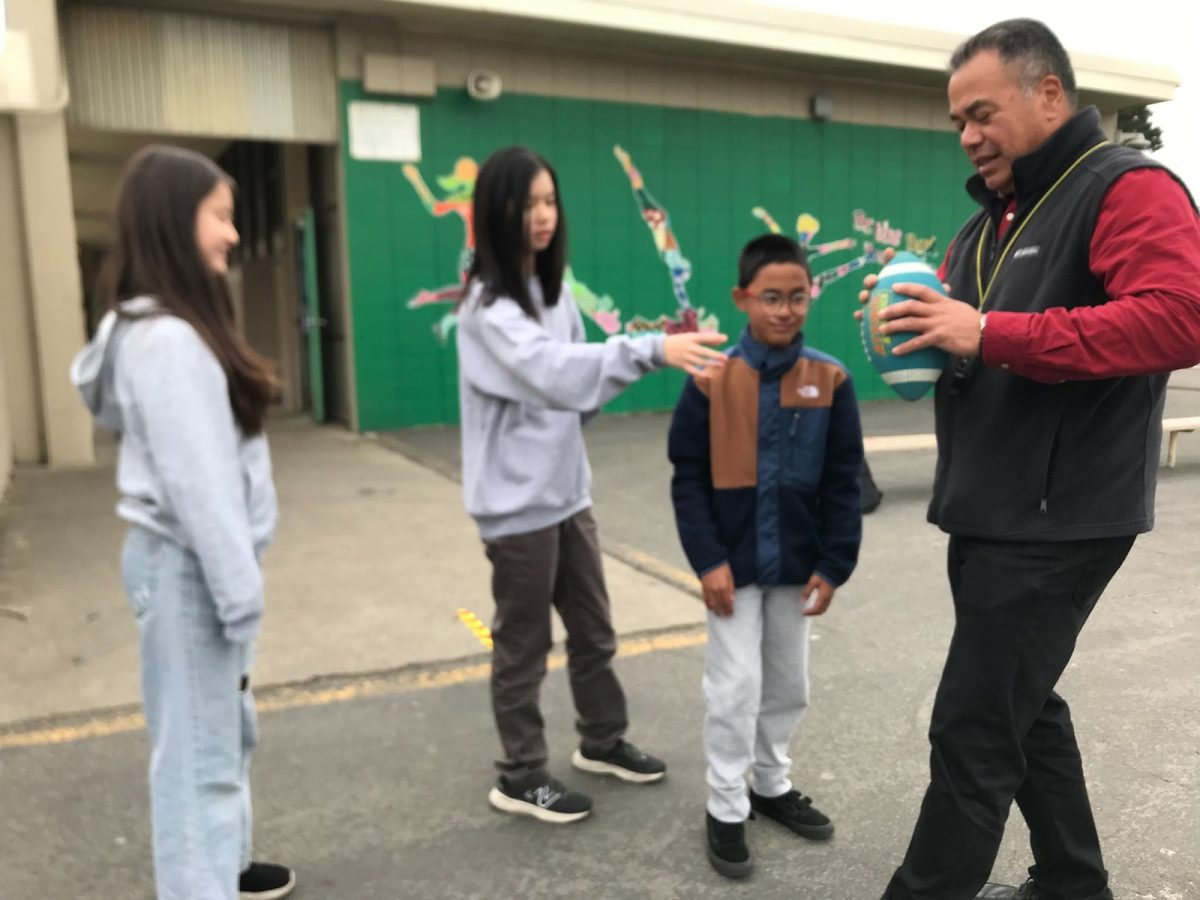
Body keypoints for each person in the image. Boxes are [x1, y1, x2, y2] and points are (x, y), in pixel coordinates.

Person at [858, 19, 1200, 900]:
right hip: (985, 507)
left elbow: (1180, 317)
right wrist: (903, 316)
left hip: (1061, 516)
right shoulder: (981, 229)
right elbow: (955, 351)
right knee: (1025, 706)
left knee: (973, 730)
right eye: (956, 122)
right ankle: (1073, 883)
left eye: (982, 112)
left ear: (1049, 94)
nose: (968, 135)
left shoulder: (1125, 187)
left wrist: (988, 330)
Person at [454, 145, 729, 823]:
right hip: (516, 510)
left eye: (550, 201)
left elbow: (576, 390)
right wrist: (647, 351)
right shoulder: (487, 309)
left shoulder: (553, 294)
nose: (543, 216)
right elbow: (551, 372)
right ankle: (518, 775)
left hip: (566, 494)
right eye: (528, 204)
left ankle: (601, 740)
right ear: (497, 213)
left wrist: (624, 362)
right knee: (522, 645)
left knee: (594, 630)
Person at [70, 146, 296, 900]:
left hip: (187, 568)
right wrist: (242, 597)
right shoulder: (168, 342)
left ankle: (225, 869)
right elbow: (201, 488)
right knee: (198, 761)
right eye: (222, 218)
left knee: (220, 735)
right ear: (174, 221)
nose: (234, 236)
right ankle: (203, 883)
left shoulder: (159, 330)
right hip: (191, 570)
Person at [668, 234, 864, 878]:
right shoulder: (711, 382)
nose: (785, 310)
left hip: (797, 569)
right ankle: (725, 805)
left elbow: (843, 482)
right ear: (743, 298)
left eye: (798, 298)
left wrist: (834, 564)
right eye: (771, 298)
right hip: (734, 567)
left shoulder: (831, 380)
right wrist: (707, 561)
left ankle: (769, 785)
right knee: (734, 687)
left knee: (786, 684)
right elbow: (689, 478)